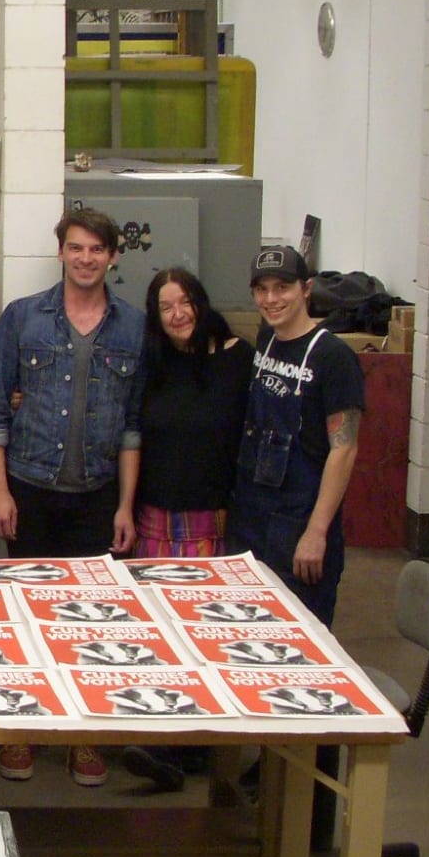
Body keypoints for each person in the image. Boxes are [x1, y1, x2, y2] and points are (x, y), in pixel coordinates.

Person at [0, 207, 145, 786]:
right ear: (61, 252)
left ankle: (83, 738)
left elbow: (131, 427)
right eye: (75, 248)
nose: (85, 258)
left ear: (113, 257)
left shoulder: (133, 327)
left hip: (97, 496)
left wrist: (125, 505)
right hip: (28, 490)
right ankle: (20, 733)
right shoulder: (24, 319)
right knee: (21, 618)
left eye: (97, 250)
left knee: (91, 623)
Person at [121, 267, 253, 792]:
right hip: (156, 515)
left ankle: (201, 744)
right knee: (157, 633)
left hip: (211, 521)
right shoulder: (153, 363)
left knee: (206, 634)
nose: (177, 315)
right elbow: (132, 434)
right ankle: (162, 740)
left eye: (184, 303)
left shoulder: (238, 359)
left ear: (200, 302)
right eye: (165, 307)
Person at [229, 245, 365, 625]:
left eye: (283, 287)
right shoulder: (265, 340)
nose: (272, 299)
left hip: (298, 526)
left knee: (299, 640)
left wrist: (316, 532)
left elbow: (345, 448)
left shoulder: (333, 357)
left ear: (306, 289)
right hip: (251, 519)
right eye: (262, 289)